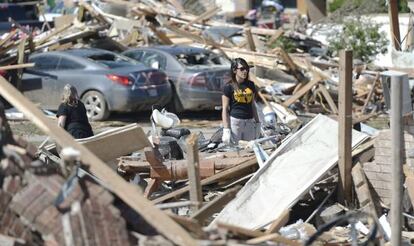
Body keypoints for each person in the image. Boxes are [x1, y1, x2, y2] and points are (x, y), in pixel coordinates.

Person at [222, 58, 260, 145]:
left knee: (250, 149)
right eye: (242, 69)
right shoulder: (228, 86)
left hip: (249, 122)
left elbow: (253, 104)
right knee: (235, 149)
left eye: (246, 68)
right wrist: (226, 129)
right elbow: (225, 108)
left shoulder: (250, 85)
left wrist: (258, 123)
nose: (245, 71)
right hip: (236, 122)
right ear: (235, 70)